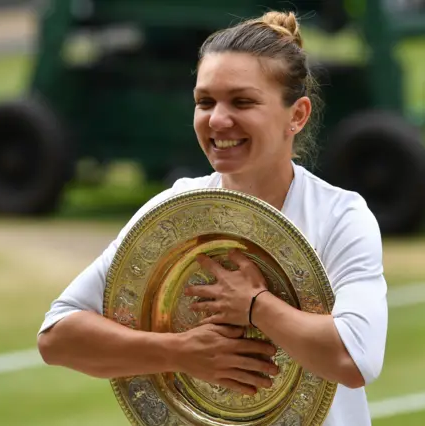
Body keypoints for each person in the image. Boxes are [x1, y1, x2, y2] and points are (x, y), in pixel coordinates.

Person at [37, 10, 388, 426]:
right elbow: (57, 337)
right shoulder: (172, 212)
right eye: (205, 101)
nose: (218, 120)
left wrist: (255, 305)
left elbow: (354, 358)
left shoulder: (340, 217)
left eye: (242, 101)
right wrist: (182, 351)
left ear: (297, 115)